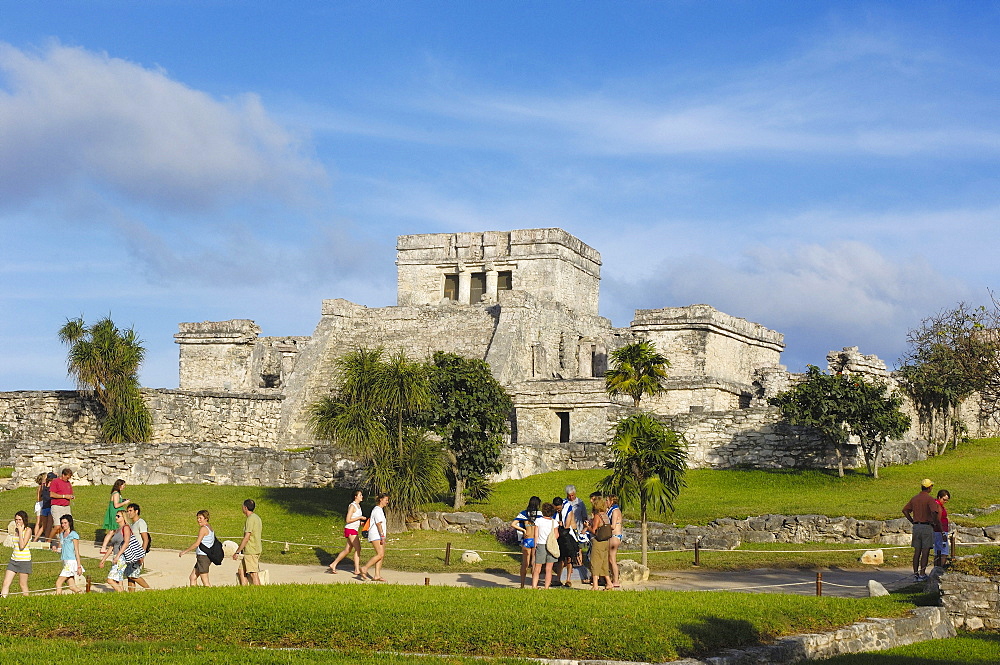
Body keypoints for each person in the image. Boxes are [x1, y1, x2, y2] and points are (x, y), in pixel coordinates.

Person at [902, 478, 942, 581]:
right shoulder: (930, 499)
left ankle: (915, 574)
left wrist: (912, 521)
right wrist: (934, 522)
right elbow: (934, 512)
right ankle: (922, 574)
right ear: (929, 488)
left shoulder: (915, 498)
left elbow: (905, 510)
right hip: (927, 526)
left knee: (917, 551)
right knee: (925, 551)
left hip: (916, 526)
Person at [328, 490, 365, 575]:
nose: (361, 496)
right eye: (360, 495)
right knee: (358, 548)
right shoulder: (352, 506)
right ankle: (356, 569)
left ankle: (333, 564)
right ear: (355, 496)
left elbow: (355, 518)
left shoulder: (358, 506)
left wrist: (360, 522)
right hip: (350, 529)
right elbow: (348, 520)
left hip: (354, 529)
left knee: (347, 550)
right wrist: (359, 518)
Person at [98, 510, 132, 592]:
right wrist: (103, 559)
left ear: (123, 517)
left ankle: (122, 594)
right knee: (119, 581)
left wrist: (118, 556)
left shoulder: (126, 527)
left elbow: (126, 542)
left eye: (118, 516)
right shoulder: (117, 530)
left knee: (110, 580)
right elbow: (112, 546)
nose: (116, 517)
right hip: (116, 556)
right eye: (116, 516)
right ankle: (122, 596)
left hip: (121, 556)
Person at [179, 510, 215, 587]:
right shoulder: (209, 528)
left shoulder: (203, 529)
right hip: (204, 556)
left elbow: (197, 544)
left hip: (203, 557)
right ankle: (193, 593)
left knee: (205, 580)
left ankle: (210, 595)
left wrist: (185, 551)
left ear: (206, 518)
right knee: (192, 577)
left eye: (200, 518)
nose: (198, 520)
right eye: (198, 518)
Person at [2, 510, 34, 598]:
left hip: (24, 560)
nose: (17, 522)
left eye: (20, 519)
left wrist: (20, 532)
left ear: (24, 520)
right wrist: (18, 531)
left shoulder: (28, 530)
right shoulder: (16, 530)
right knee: (6, 582)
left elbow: (22, 545)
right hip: (14, 559)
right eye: (16, 519)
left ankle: (27, 600)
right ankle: (3, 599)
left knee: (22, 584)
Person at [511, 496, 541, 588]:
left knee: (525, 564)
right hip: (536, 539)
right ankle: (533, 585)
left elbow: (513, 524)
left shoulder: (523, 514)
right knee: (534, 563)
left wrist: (523, 530)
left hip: (527, 539)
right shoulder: (539, 514)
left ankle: (522, 585)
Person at [360, 493, 389, 582]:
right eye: (386, 500)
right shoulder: (377, 510)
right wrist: (382, 536)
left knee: (381, 555)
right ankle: (365, 567)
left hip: (379, 535)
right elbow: (378, 524)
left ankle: (377, 575)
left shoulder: (380, 510)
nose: (387, 502)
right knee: (380, 554)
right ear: (381, 500)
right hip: (376, 535)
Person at [233, 499, 263, 585]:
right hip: (253, 549)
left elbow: (247, 537)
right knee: (241, 570)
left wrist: (237, 551)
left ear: (245, 508)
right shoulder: (257, 518)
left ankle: (260, 593)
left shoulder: (250, 519)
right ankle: (244, 589)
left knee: (253, 574)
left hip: (251, 550)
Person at [530, 502, 559, 589]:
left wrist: (535, 546)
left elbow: (536, 535)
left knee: (537, 567)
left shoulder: (538, 521)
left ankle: (534, 585)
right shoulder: (554, 522)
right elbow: (556, 535)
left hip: (541, 544)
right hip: (551, 546)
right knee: (549, 569)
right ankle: (546, 587)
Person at [54, 514, 84, 594]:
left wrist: (79, 566)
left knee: (58, 583)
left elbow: (77, 551)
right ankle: (82, 594)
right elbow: (61, 549)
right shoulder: (61, 534)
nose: (63, 525)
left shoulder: (73, 535)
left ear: (69, 523)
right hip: (65, 560)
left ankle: (57, 601)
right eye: (62, 523)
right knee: (72, 586)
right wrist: (56, 549)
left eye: (65, 523)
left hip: (71, 562)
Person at [588, 496, 613, 590]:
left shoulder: (598, 516)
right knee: (603, 562)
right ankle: (609, 582)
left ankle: (595, 585)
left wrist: (588, 526)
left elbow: (594, 530)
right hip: (606, 541)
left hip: (598, 542)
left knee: (595, 561)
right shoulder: (605, 515)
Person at [125, 503, 151, 590]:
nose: (128, 513)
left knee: (134, 575)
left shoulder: (141, 523)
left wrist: (142, 554)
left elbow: (145, 539)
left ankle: (149, 590)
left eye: (130, 511)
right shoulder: (132, 524)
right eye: (127, 511)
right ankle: (131, 595)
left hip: (138, 553)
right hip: (132, 553)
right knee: (129, 575)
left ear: (136, 511)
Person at [99, 479, 129, 554]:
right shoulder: (116, 493)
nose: (124, 487)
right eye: (123, 485)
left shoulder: (116, 493)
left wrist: (122, 500)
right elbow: (116, 505)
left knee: (114, 531)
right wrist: (125, 502)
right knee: (112, 531)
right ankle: (103, 547)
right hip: (115, 513)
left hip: (115, 513)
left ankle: (111, 546)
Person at [48, 468, 75, 549]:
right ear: (63, 475)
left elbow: (70, 493)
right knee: (57, 526)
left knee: (66, 526)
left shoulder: (68, 483)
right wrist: (64, 496)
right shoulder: (55, 482)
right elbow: (52, 494)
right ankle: (48, 541)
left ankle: (60, 544)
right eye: (67, 477)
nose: (68, 479)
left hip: (66, 506)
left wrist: (71, 497)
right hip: (57, 506)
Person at [607, 494, 623, 589]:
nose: (606, 502)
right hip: (612, 536)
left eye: (607, 500)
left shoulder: (615, 511)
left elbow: (613, 526)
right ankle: (613, 578)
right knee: (610, 559)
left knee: (612, 559)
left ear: (612, 501)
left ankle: (616, 580)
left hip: (615, 536)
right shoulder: (611, 510)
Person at [934, 489, 951, 568]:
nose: (945, 501)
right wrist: (943, 532)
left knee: (937, 551)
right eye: (944, 499)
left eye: (946, 500)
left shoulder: (937, 505)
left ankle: (936, 568)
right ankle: (940, 569)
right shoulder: (938, 506)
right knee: (944, 551)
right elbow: (938, 520)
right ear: (939, 497)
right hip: (940, 531)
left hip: (938, 531)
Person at [33, 474, 49, 543]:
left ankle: (37, 536)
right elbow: (39, 498)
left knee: (39, 522)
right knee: (40, 522)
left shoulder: (40, 487)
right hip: (41, 504)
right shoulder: (41, 487)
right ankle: (37, 537)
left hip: (39, 504)